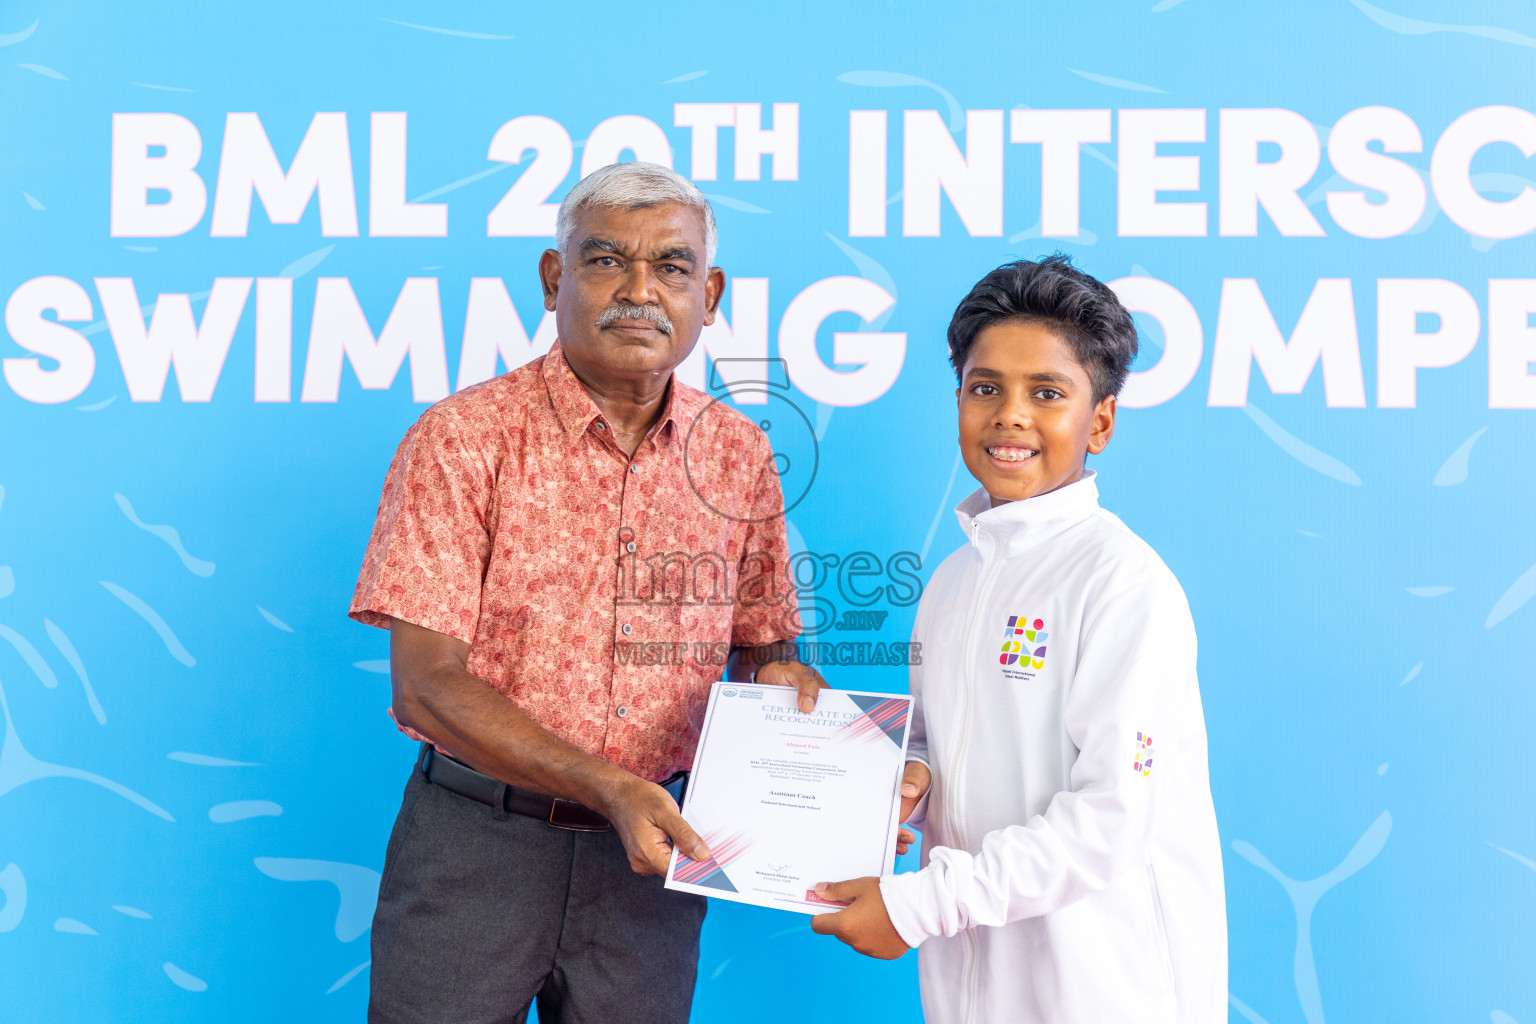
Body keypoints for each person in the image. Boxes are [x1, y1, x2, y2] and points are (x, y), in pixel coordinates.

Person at [349, 161, 823, 1024]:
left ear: (708, 293)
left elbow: (765, 649)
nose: (640, 290)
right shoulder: (461, 439)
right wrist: (608, 785)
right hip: (473, 849)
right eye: (606, 261)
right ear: (553, 278)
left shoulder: (739, 454)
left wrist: (803, 723)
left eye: (672, 268)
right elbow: (426, 685)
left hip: (648, 867)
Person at [810, 255, 1227, 1023]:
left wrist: (916, 907)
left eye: (1047, 393)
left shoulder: (1121, 582)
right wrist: (897, 777)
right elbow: (934, 742)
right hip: (976, 990)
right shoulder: (953, 583)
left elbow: (1109, 819)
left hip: (1104, 991)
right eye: (984, 387)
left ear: (1099, 421)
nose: (1010, 415)